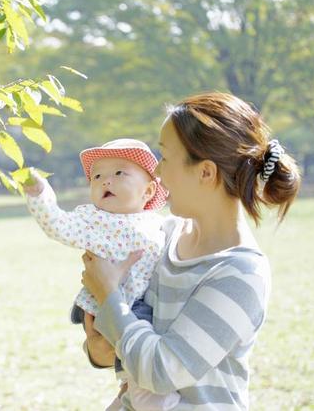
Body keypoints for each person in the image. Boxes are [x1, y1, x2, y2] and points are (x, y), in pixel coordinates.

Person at [81, 92, 301, 410]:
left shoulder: (240, 274)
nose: (156, 171)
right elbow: (109, 348)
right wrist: (99, 344)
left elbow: (161, 370)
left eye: (166, 157)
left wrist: (108, 295)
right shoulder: (162, 236)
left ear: (205, 172)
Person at [23, 139, 180, 410]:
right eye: (97, 176)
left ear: (149, 190)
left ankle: (131, 391)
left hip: (144, 304)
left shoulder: (161, 223)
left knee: (145, 359)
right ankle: (134, 390)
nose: (106, 181)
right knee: (139, 368)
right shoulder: (93, 219)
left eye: (119, 173)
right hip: (105, 306)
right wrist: (39, 194)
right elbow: (57, 224)